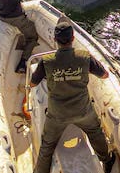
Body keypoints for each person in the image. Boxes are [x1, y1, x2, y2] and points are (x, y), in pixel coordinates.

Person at [30, 21, 114, 173]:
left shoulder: (46, 61)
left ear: (55, 40)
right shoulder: (84, 57)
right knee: (95, 132)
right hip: (83, 112)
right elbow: (105, 75)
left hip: (57, 115)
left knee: (47, 145)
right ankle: (107, 161)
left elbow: (33, 83)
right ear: (73, 38)